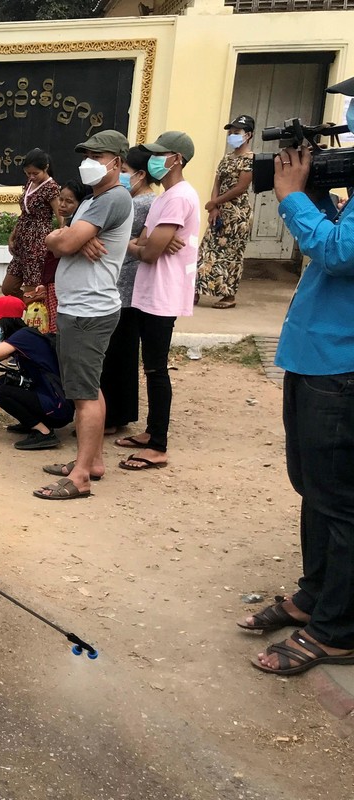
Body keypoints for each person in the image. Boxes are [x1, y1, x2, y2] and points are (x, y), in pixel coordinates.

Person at [244, 76, 354, 677]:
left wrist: (291, 196)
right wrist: (321, 193)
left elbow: (341, 254)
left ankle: (338, 629)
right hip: (316, 357)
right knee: (313, 487)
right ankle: (316, 596)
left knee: (339, 501)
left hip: (342, 365)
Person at [34, 130, 133, 500]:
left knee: (84, 393)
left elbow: (65, 243)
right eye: (86, 154)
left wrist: (67, 238)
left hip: (88, 310)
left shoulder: (112, 199)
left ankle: (80, 477)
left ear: (117, 162)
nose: (89, 161)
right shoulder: (96, 199)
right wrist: (65, 237)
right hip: (82, 307)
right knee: (87, 387)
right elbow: (64, 239)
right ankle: (92, 461)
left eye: (98, 155)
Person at [115, 132, 200, 471]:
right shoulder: (165, 197)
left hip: (162, 296)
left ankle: (159, 444)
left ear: (176, 158)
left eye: (159, 154)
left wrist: (135, 245)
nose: (152, 160)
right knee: (149, 367)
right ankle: (150, 432)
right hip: (148, 293)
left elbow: (148, 252)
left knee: (156, 368)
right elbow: (147, 241)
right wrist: (142, 243)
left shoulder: (179, 197)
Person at [0, 295, 72, 450]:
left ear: (6, 321)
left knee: (2, 393)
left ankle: (44, 432)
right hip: (52, 400)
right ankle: (31, 422)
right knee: (2, 382)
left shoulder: (24, 337)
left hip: (57, 407)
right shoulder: (21, 336)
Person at [100, 147, 159, 435]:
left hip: (129, 286)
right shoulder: (130, 198)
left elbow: (146, 243)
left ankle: (114, 415)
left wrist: (126, 242)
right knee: (114, 351)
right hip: (115, 280)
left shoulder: (148, 203)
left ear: (140, 174)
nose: (121, 175)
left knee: (120, 352)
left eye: (124, 171)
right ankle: (115, 412)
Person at [196, 115, 255, 309]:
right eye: (231, 133)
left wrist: (215, 202)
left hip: (237, 214)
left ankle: (228, 296)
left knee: (231, 254)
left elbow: (240, 187)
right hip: (219, 211)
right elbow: (217, 181)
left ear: (248, 135)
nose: (232, 136)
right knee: (207, 250)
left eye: (236, 133)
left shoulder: (250, 160)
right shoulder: (227, 158)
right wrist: (214, 206)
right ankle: (196, 290)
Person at [29, 180, 91, 336]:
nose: (62, 205)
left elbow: (57, 252)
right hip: (52, 282)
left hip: (62, 284)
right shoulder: (65, 226)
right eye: (61, 200)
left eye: (69, 201)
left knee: (59, 328)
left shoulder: (76, 230)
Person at [4, 149, 59, 297]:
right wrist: (13, 235)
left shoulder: (51, 187)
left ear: (45, 168)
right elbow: (25, 213)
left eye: (35, 173)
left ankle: (34, 316)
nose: (31, 176)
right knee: (8, 288)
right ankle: (30, 306)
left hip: (38, 242)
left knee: (32, 288)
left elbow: (60, 215)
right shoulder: (30, 183)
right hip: (22, 241)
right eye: (28, 173)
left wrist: (60, 239)